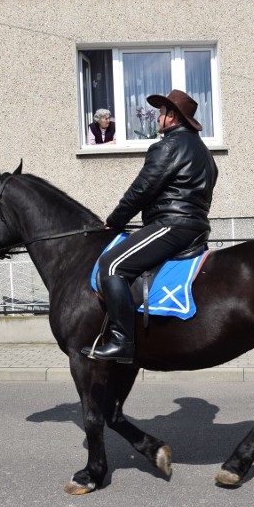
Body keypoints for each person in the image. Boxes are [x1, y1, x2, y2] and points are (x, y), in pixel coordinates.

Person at [82, 90, 217, 363]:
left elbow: (142, 190)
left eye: (162, 111)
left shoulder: (168, 146)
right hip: (195, 228)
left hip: (171, 225)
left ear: (172, 117)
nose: (157, 116)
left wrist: (114, 220)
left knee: (111, 265)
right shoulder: (205, 153)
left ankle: (122, 341)